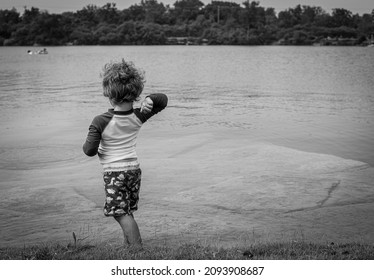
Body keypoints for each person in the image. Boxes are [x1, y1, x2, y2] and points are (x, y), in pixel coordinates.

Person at [83, 59, 168, 249]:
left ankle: (137, 249)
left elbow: (89, 151)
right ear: (136, 92)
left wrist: (95, 139)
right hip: (133, 171)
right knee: (126, 209)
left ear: (109, 93)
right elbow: (163, 100)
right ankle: (128, 245)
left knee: (118, 212)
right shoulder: (139, 116)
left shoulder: (100, 121)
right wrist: (150, 99)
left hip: (114, 173)